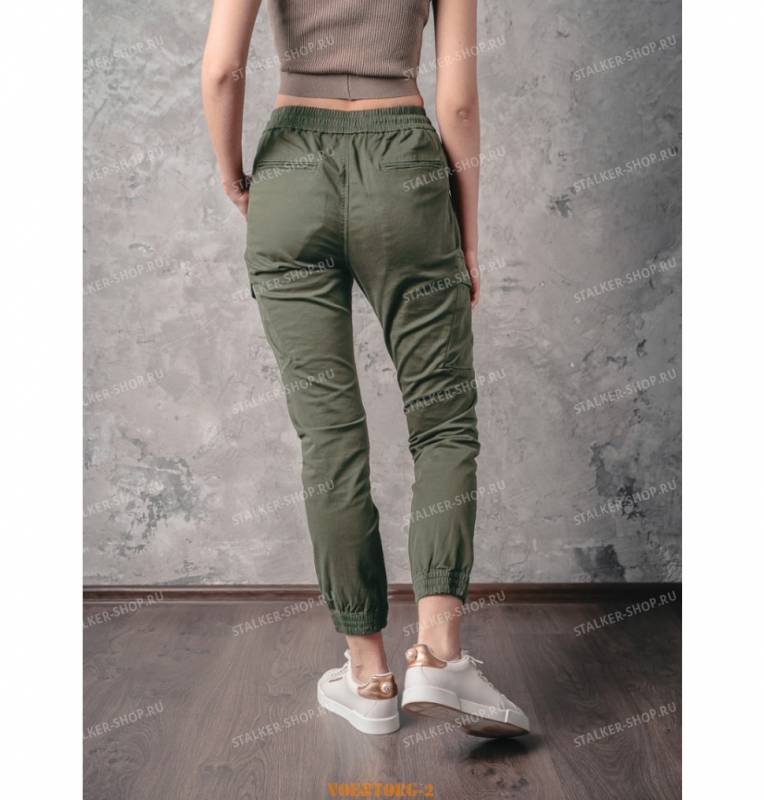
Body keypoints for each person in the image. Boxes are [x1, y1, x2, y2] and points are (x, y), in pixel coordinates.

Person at [202, 0, 529, 737]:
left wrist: (234, 177)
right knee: (442, 422)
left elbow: (222, 70)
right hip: (404, 171)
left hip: (290, 174)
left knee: (329, 438)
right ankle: (439, 654)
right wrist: (468, 239)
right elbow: (458, 102)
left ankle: (369, 674)